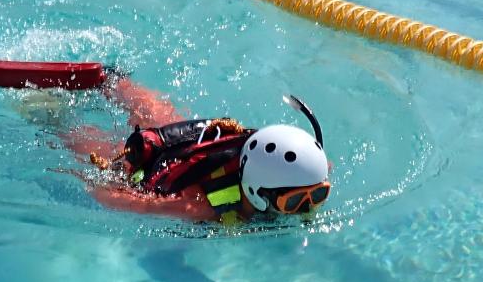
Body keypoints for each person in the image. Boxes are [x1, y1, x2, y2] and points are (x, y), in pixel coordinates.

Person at [61, 76, 332, 224]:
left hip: (206, 147)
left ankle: (114, 81)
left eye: (319, 194)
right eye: (294, 202)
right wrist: (100, 181)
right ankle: (54, 109)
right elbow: (119, 200)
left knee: (163, 121)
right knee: (114, 155)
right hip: (163, 169)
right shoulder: (198, 206)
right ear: (257, 192)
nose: (308, 208)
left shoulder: (295, 172)